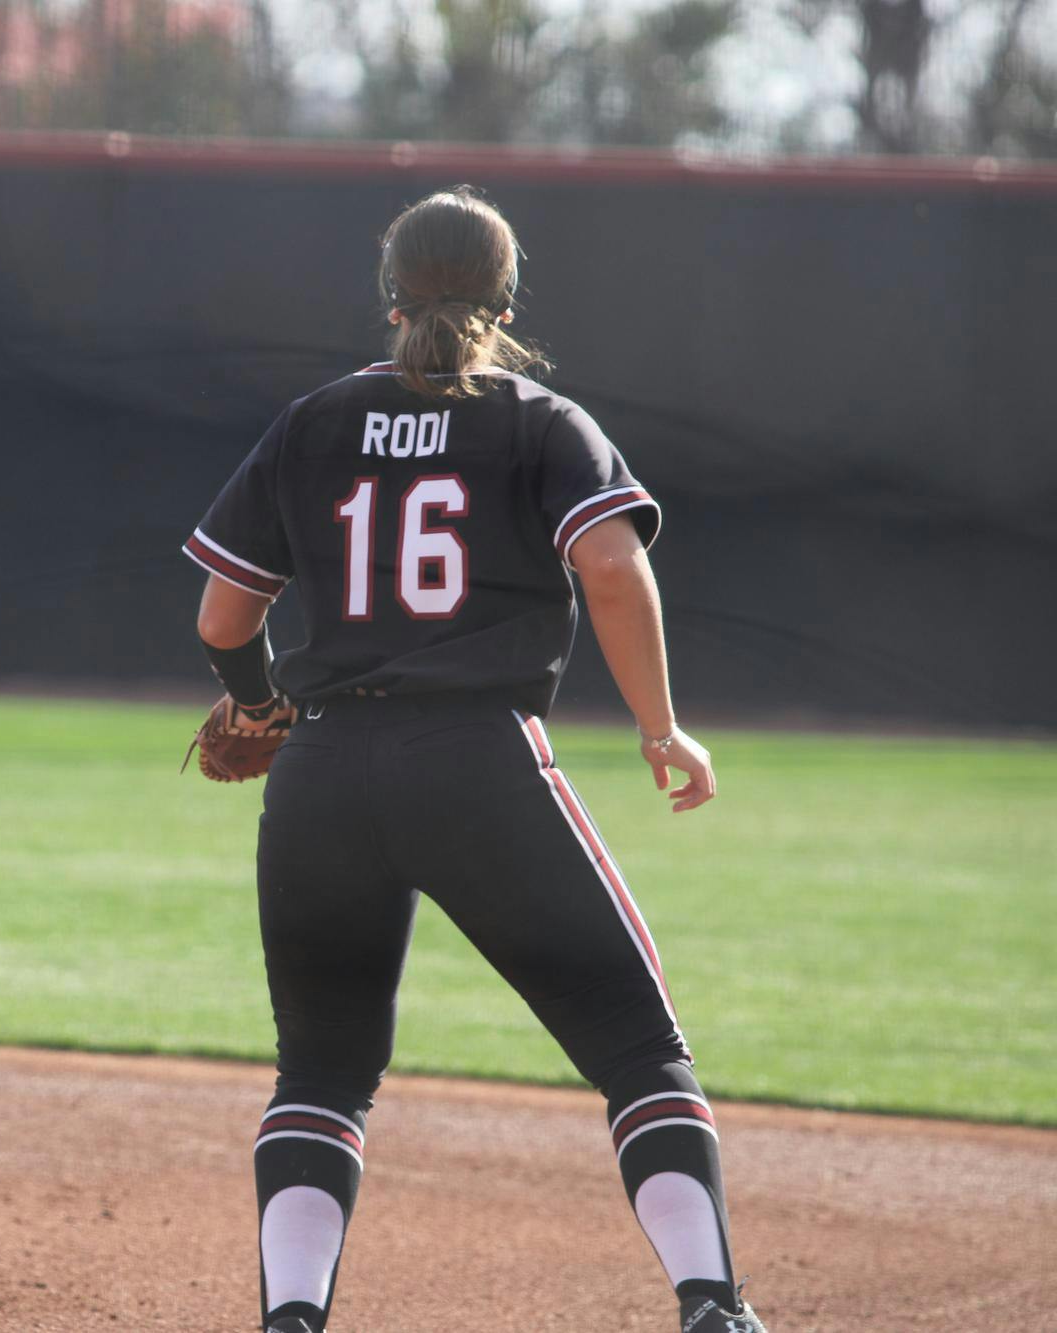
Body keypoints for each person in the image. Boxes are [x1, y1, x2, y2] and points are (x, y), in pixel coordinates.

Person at [182, 187, 766, 1333]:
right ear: (504, 298)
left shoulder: (311, 421)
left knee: (321, 1075)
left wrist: (256, 705)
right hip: (478, 763)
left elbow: (219, 616)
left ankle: (290, 1319)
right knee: (639, 1050)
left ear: (388, 292)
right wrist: (659, 727)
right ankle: (709, 1306)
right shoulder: (536, 419)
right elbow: (606, 562)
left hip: (324, 774)